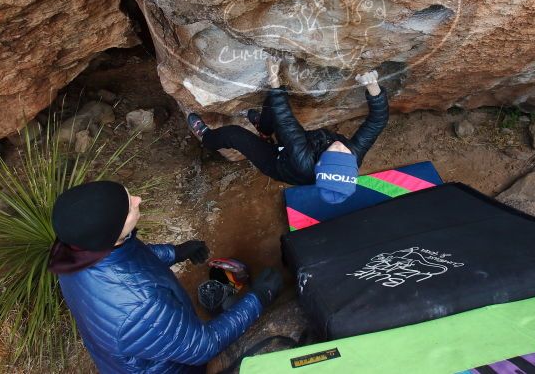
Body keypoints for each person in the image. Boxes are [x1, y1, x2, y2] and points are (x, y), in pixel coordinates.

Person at [47, 180, 283, 374]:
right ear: (111, 233)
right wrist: (259, 297)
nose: (138, 200)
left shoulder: (75, 253)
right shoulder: (140, 307)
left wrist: (176, 252)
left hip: (123, 352)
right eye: (129, 206)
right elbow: (202, 346)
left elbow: (130, 258)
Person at [187, 57, 389, 203]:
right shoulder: (352, 154)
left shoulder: (303, 161)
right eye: (345, 154)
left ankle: (206, 137)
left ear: (320, 163)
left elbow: (287, 124)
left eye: (334, 154)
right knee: (271, 104)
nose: (340, 146)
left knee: (234, 134)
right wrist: (374, 89)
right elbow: (377, 122)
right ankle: (264, 131)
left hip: (277, 162)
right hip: (298, 147)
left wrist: (274, 81)